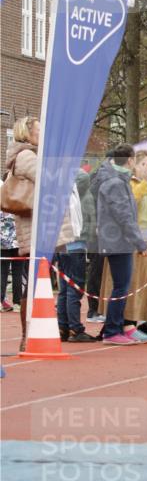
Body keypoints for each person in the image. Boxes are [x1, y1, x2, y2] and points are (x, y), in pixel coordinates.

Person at [99, 150, 147, 337]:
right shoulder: (127, 183)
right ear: (134, 164)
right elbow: (128, 205)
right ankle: (125, 325)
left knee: (143, 286)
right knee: (129, 284)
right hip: (132, 241)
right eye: (144, 165)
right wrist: (143, 183)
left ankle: (133, 323)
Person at [91, 144, 147, 345]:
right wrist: (140, 243)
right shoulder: (115, 182)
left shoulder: (116, 180)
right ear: (131, 160)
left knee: (121, 286)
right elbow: (124, 216)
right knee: (121, 286)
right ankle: (112, 330)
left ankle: (115, 328)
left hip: (117, 240)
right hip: (117, 241)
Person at [4, 116, 40, 351]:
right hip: (32, 224)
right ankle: (28, 335)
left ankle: (32, 332)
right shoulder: (27, 156)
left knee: (34, 279)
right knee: (34, 279)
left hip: (33, 223)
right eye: (38, 130)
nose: (41, 133)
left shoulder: (27, 154)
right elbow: (45, 180)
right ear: (27, 133)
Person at [54, 181, 95, 343]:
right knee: (74, 288)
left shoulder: (56, 191)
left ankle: (63, 327)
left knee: (64, 289)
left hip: (61, 244)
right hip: (75, 244)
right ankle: (75, 328)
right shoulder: (77, 191)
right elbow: (84, 219)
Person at [75, 166, 105, 323]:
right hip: (95, 234)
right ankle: (93, 310)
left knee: (98, 271)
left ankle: (96, 309)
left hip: (97, 232)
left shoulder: (97, 178)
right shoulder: (97, 180)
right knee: (96, 271)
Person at [0, 202, 21, 312]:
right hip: (17, 242)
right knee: (17, 273)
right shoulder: (19, 202)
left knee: (2, 273)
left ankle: (0, 301)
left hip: (3, 243)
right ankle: (17, 303)